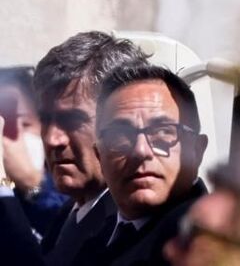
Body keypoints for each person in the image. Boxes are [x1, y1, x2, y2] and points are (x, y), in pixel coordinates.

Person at [0, 32, 150, 266]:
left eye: (71, 120)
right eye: (45, 120)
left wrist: (6, 186)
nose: (52, 139)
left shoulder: (129, 224)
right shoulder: (77, 206)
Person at [73, 64, 209, 265]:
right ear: (99, 156)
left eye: (163, 132)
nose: (140, 151)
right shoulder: (92, 241)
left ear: (197, 150)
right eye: (120, 136)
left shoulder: (213, 248)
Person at [0, 67, 67, 234]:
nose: (8, 143)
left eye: (24, 124)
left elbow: (69, 230)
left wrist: (33, 186)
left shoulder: (66, 177)